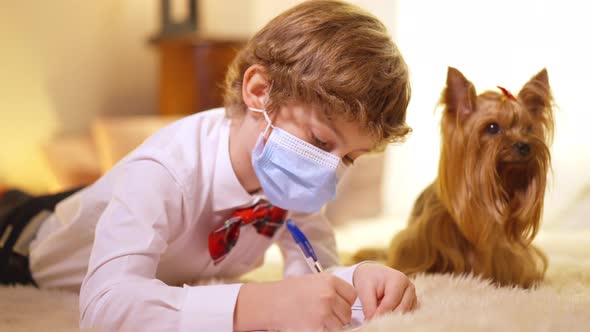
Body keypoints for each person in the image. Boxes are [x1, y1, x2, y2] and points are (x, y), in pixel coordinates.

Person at [0, 0, 415, 330]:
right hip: (24, 240)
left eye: (348, 157)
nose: (329, 170)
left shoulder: (295, 179)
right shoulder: (165, 171)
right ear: (259, 91)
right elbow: (105, 306)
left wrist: (357, 280)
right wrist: (255, 303)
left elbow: (310, 269)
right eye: (320, 141)